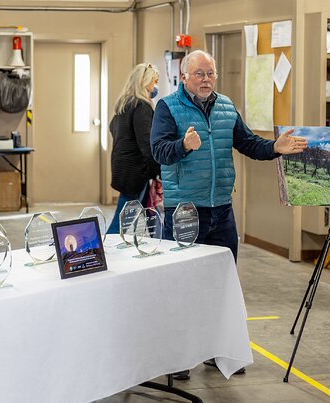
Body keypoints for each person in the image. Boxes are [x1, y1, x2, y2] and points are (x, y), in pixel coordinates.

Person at [150, 50, 306, 380]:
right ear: (184, 77)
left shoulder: (225, 107)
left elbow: (248, 143)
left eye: (211, 74)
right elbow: (159, 150)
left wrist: (274, 148)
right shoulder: (168, 107)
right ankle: (179, 357)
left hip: (221, 209)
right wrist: (183, 146)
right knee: (182, 287)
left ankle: (217, 350)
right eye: (199, 74)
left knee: (221, 286)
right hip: (185, 212)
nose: (206, 80)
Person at [106, 63, 161, 235]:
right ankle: (104, 252)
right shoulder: (141, 107)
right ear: (145, 83)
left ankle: (157, 242)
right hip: (135, 173)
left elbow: (112, 128)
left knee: (151, 213)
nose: (155, 86)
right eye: (154, 81)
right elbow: (147, 145)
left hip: (123, 169)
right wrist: (158, 170)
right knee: (121, 223)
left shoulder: (123, 105)